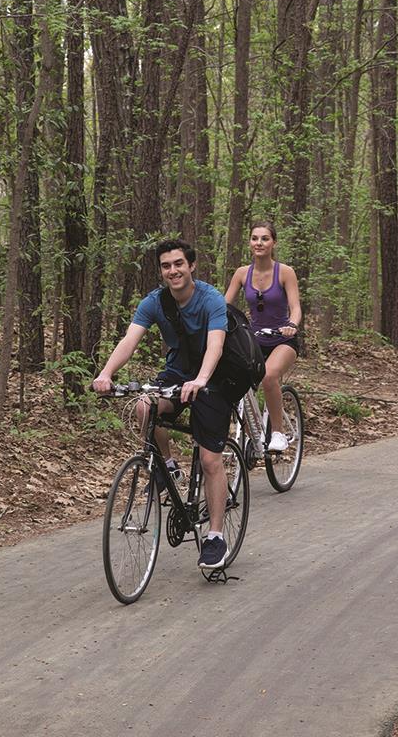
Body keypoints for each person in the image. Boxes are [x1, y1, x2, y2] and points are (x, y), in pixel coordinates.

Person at [93, 239, 246, 570]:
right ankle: (166, 466)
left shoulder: (211, 299)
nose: (173, 271)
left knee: (209, 459)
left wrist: (202, 380)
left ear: (191, 266)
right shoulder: (155, 302)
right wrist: (106, 373)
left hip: (214, 379)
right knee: (144, 406)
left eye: (179, 264)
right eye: (166, 266)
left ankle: (215, 537)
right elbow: (129, 340)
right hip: (177, 374)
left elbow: (215, 346)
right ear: (161, 271)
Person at [224, 221, 302, 453]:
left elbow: (296, 308)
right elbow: (223, 305)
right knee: (234, 378)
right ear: (250, 242)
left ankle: (277, 432)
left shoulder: (285, 272)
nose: (259, 243)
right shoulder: (241, 273)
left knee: (269, 376)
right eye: (255, 238)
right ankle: (251, 436)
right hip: (254, 339)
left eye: (265, 238)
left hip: (282, 339)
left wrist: (291, 325)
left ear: (273, 243)